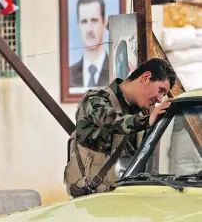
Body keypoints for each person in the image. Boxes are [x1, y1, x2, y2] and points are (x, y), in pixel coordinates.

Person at [64, 58, 176, 197]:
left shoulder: (142, 113)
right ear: (146, 77)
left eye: (163, 95)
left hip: (126, 199)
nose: (160, 99)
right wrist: (147, 121)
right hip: (89, 201)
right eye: (160, 90)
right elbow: (107, 119)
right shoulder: (95, 98)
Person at [69, 0, 109, 88]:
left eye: (94, 20)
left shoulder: (118, 73)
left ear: (104, 23)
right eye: (84, 21)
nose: (89, 29)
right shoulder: (68, 75)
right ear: (78, 25)